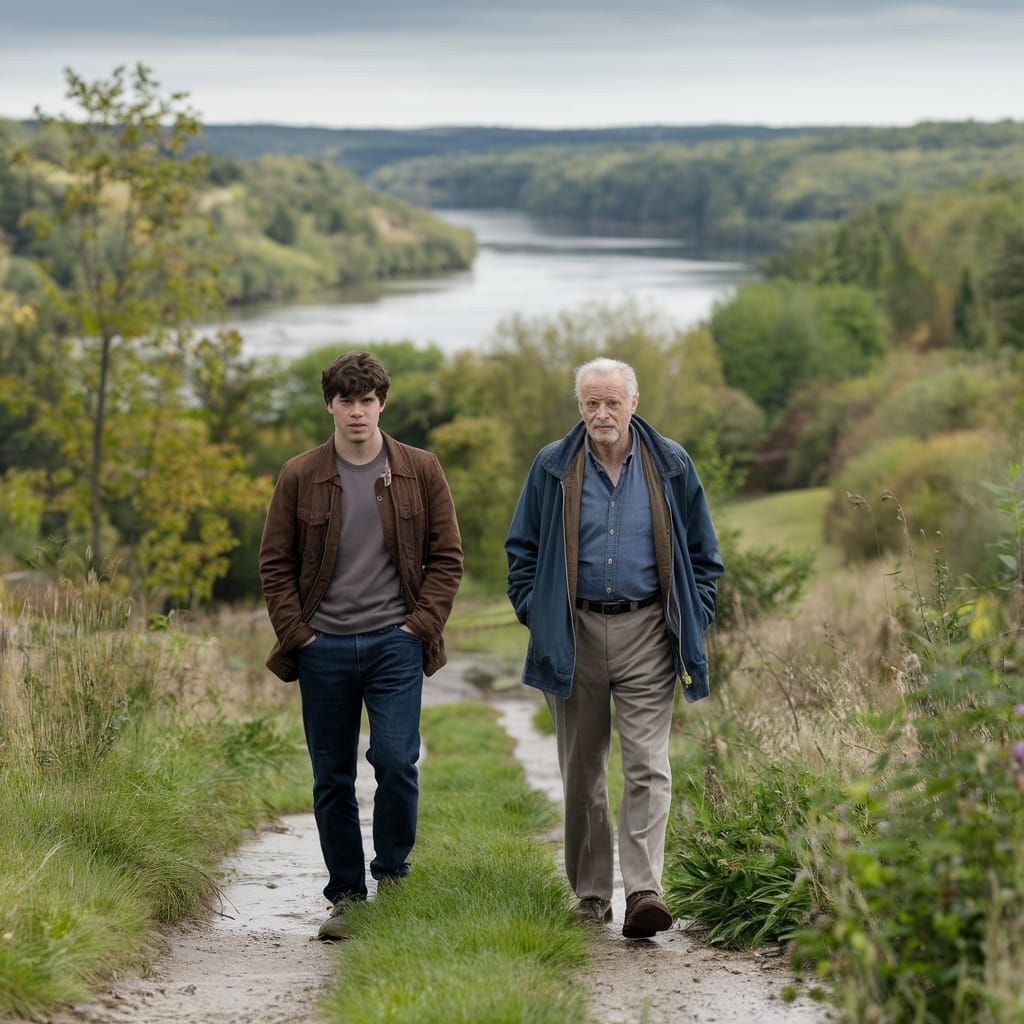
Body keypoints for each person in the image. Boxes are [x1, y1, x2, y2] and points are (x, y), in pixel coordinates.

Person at [505, 357, 723, 939]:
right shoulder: (552, 466)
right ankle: (592, 895)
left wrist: (693, 614)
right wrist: (540, 615)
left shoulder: (671, 463)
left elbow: (704, 555)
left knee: (648, 763)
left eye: (612, 402)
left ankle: (645, 890)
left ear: (633, 403)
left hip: (649, 630)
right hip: (573, 632)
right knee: (583, 770)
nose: (602, 413)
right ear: (580, 406)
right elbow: (521, 551)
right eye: (591, 403)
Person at [258, 351, 463, 940]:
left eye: (366, 401)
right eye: (346, 401)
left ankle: (393, 874)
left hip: (395, 644)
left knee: (396, 761)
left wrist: (419, 626)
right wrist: (299, 635)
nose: (356, 412)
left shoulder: (420, 469)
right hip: (322, 647)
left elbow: (447, 558)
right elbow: (275, 564)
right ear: (330, 405)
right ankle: (346, 896)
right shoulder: (300, 475)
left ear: (381, 404)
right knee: (332, 777)